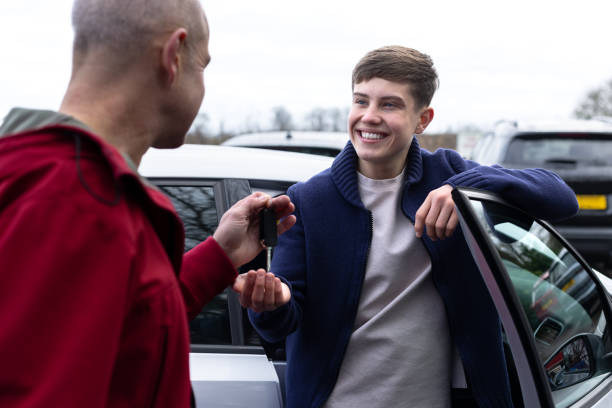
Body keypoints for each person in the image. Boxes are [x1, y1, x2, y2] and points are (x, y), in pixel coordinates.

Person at [238, 46, 579, 408]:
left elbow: (561, 198)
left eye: (389, 105)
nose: (369, 116)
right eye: (361, 101)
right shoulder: (308, 201)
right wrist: (272, 302)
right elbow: (277, 326)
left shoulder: (448, 174)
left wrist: (463, 187)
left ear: (422, 119)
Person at [0, 0, 293, 406]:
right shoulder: (79, 204)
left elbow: (137, 326)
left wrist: (221, 255)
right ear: (173, 56)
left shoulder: (56, 182)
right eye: (202, 66)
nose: (203, 87)